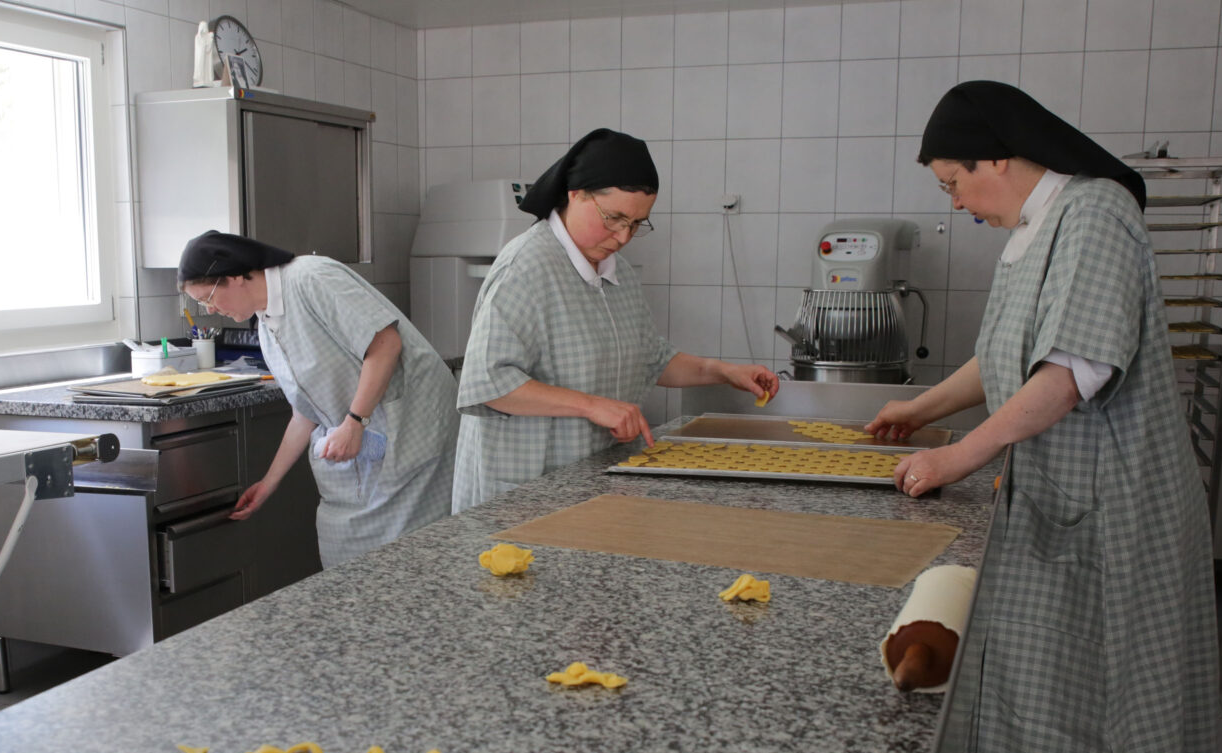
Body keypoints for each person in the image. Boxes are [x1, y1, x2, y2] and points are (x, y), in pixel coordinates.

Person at [872, 81, 1217, 753]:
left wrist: (956, 456)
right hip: (1057, 500)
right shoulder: (1035, 229)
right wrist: (919, 410)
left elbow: (1067, 374)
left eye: (955, 183)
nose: (958, 203)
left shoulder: (1095, 213)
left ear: (998, 153)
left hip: (1116, 516)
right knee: (1043, 700)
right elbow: (1008, 358)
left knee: (1105, 702)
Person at [452, 128, 778, 511]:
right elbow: (488, 382)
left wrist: (724, 372)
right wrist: (592, 405)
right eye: (614, 218)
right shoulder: (528, 266)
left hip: (589, 479)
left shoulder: (615, 269)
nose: (623, 236)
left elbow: (650, 356)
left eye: (637, 224)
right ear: (576, 195)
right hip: (526, 487)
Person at [179, 231, 458, 567]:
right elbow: (305, 412)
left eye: (208, 297)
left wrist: (354, 422)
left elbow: (385, 345)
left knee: (408, 564)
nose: (210, 309)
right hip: (364, 457)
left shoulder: (311, 277)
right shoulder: (267, 327)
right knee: (348, 568)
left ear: (235, 276)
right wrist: (269, 483)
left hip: (415, 438)